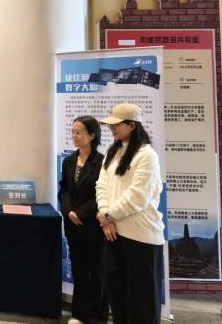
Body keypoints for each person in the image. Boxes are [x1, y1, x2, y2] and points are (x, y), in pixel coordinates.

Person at [96, 103, 164, 324]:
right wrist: (105, 214)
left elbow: (138, 196)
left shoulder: (147, 155)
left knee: (141, 301)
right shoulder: (113, 152)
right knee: (118, 297)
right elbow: (102, 185)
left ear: (132, 125)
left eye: (117, 124)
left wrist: (109, 215)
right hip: (113, 232)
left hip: (140, 236)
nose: (111, 128)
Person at [58, 116, 108, 324]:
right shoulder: (69, 161)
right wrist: (69, 211)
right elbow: (64, 190)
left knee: (97, 272)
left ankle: (97, 316)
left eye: (79, 132)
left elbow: (103, 193)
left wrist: (81, 212)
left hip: (93, 225)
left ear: (92, 135)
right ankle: (78, 314)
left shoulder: (102, 162)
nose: (75, 136)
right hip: (73, 225)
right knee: (79, 270)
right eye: (73, 132)